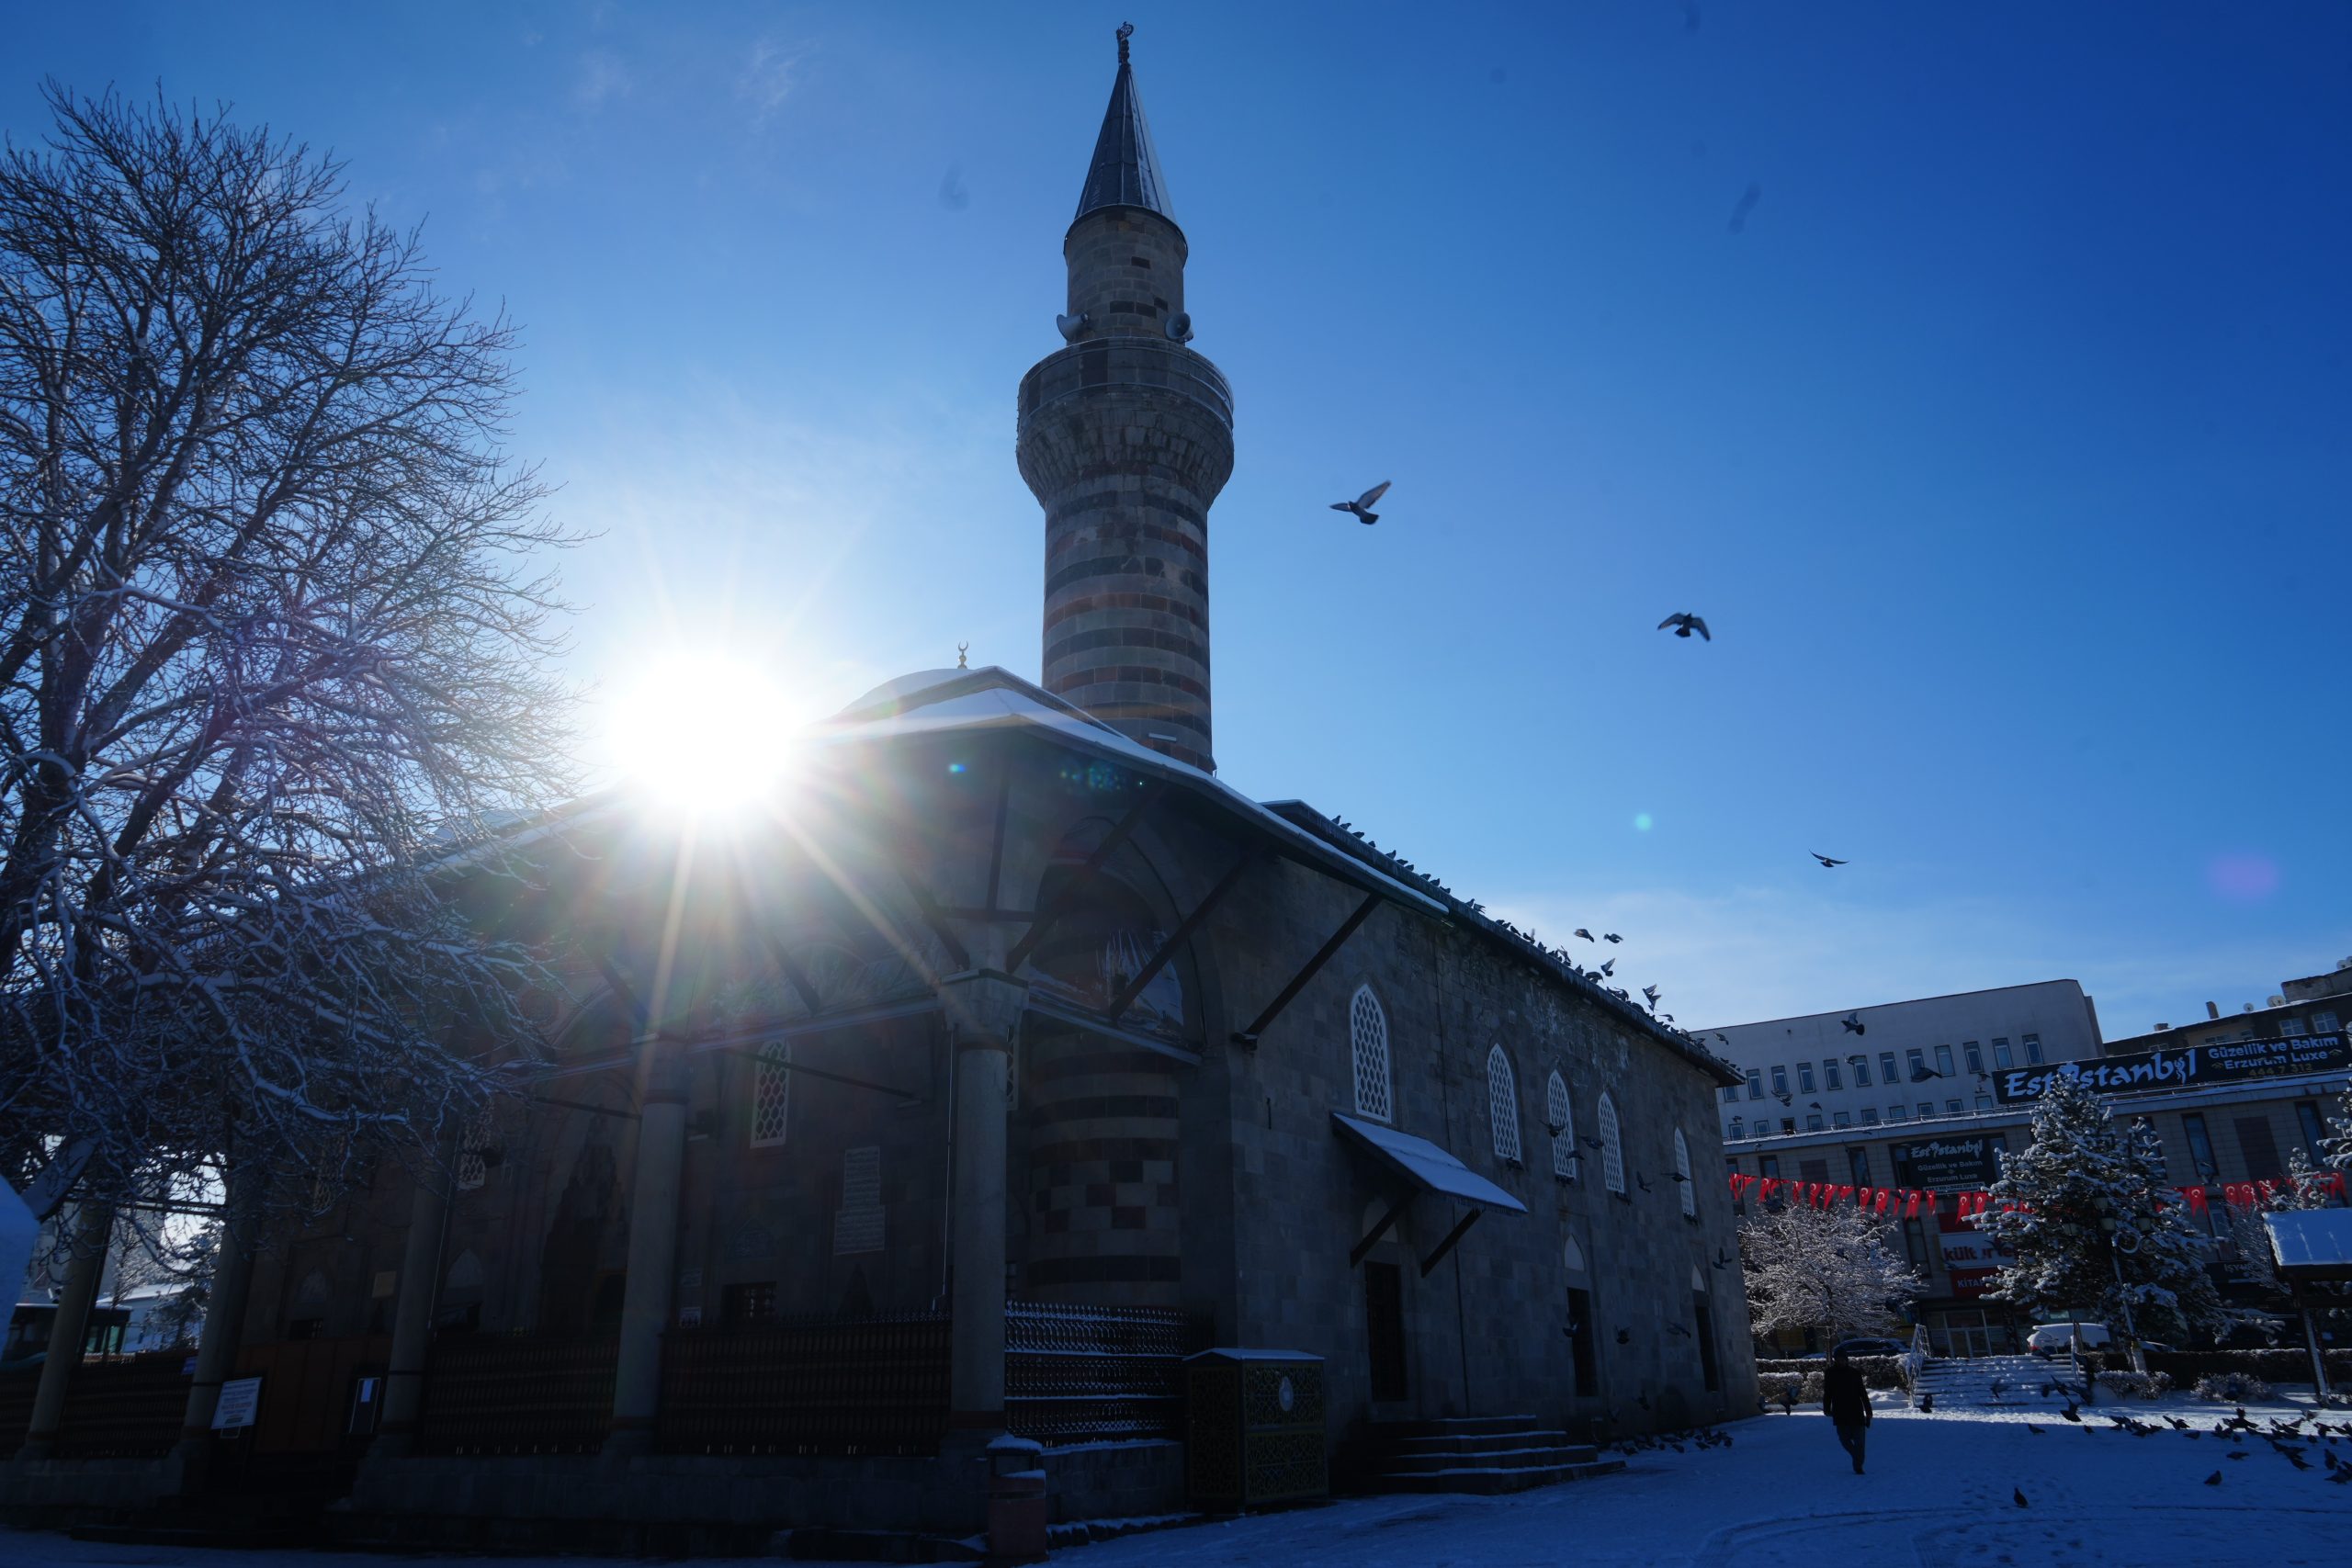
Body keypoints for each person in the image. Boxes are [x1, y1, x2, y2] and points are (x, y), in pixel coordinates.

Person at [1822, 1347, 1871, 1474]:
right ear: (1835, 1360)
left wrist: (1869, 1412)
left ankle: (1858, 1466)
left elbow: (1863, 1393)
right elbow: (1828, 1393)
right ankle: (1857, 1457)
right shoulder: (1830, 1373)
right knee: (1844, 1439)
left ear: (1846, 1359)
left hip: (1856, 1411)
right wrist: (1826, 1408)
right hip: (1840, 1411)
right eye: (1838, 1359)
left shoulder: (1855, 1373)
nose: (1841, 1361)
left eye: (1843, 1359)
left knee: (1860, 1442)